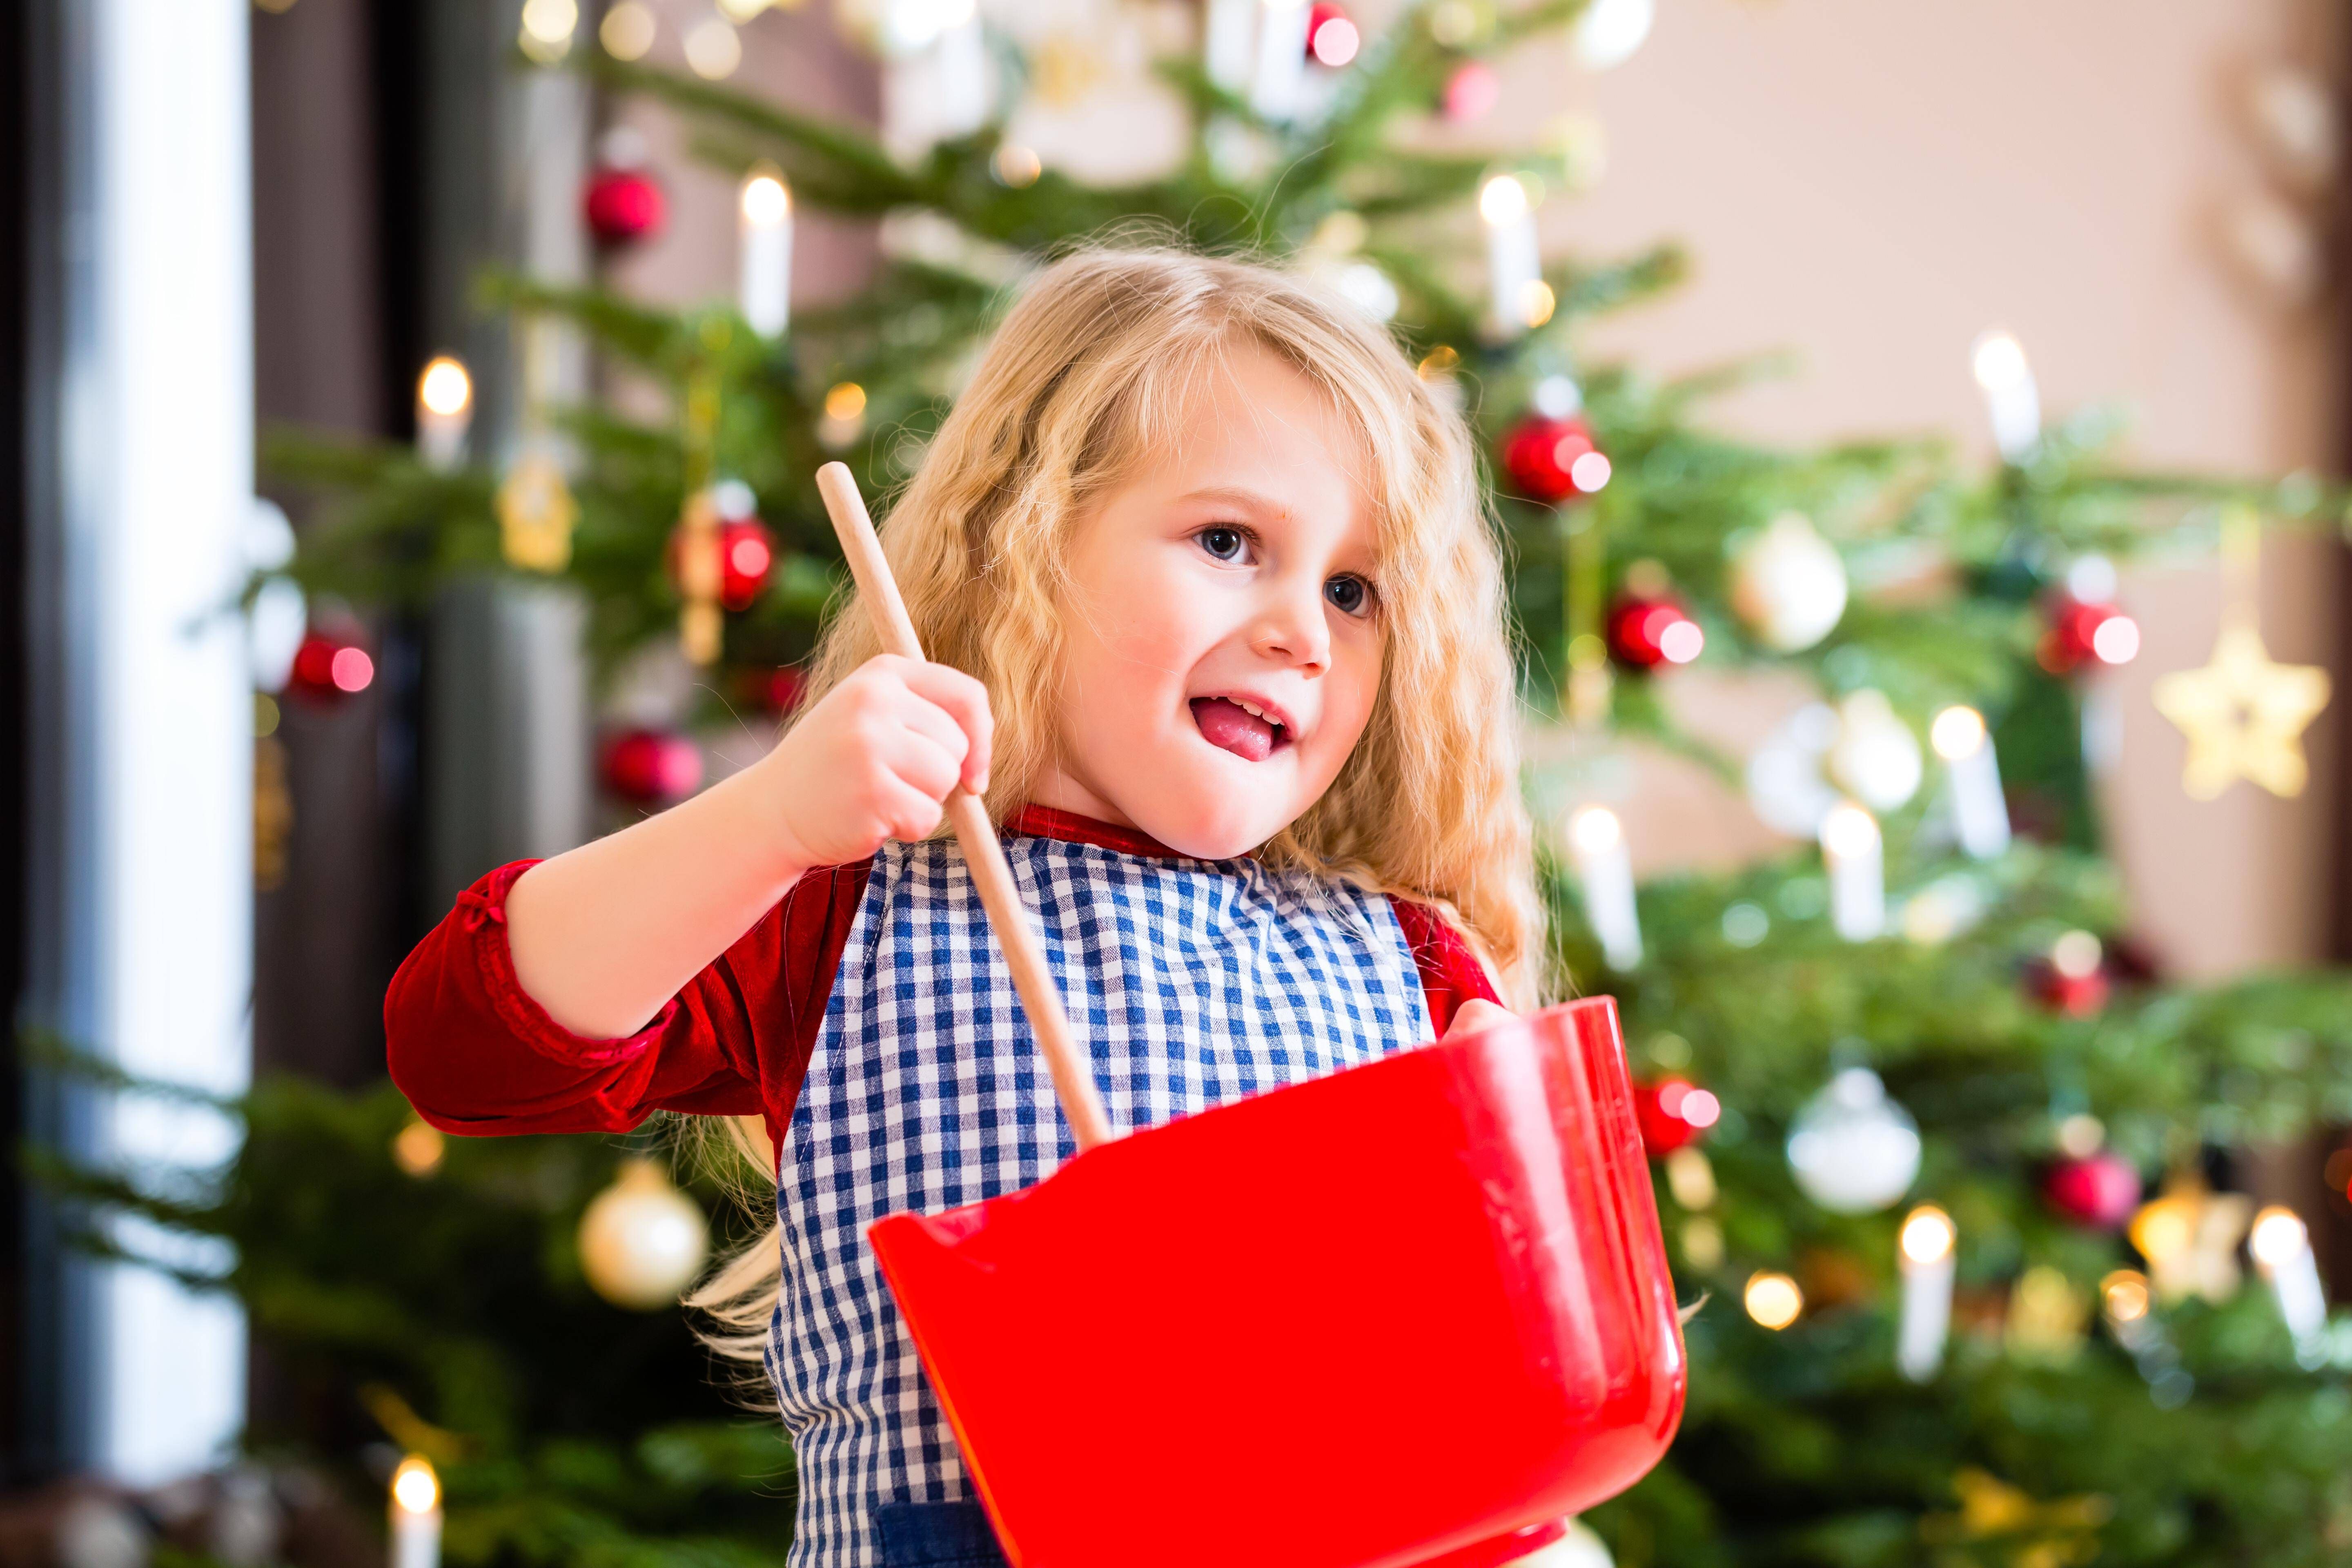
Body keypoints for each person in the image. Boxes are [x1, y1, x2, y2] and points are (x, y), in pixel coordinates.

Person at [386, 247, 1545, 1568]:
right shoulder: (843, 909)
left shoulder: (1411, 973)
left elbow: (1488, 1432)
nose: (1306, 632)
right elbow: (466, 1052)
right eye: (1231, 543)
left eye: (1355, 590)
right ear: (1025, 545)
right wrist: (768, 822)